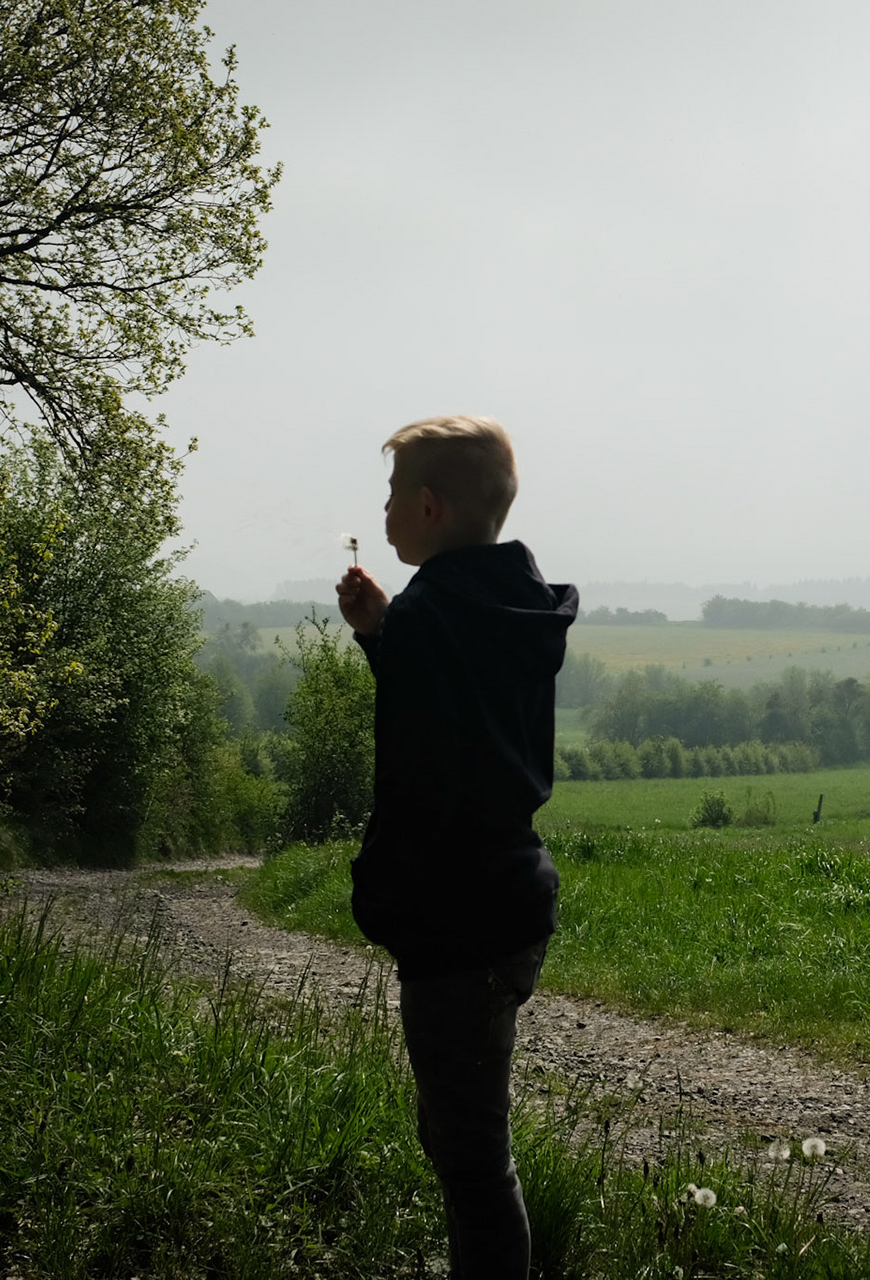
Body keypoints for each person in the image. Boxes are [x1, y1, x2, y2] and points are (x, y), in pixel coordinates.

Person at [335, 415, 578, 1279]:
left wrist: (393, 632)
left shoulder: (434, 613)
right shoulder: (510, 606)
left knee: (475, 1162)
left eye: (393, 495)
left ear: (429, 507)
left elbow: (425, 754)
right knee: (457, 1132)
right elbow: (458, 711)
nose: (385, 511)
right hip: (512, 900)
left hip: (456, 922)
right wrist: (384, 634)